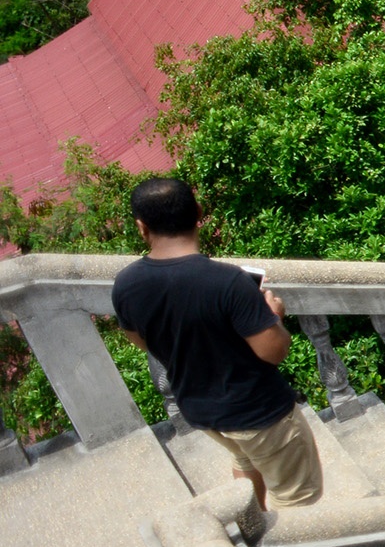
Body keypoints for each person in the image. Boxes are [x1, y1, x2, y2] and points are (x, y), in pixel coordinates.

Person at [112, 177, 321, 510]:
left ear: (142, 227)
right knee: (296, 497)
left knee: (245, 460)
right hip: (259, 412)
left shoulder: (126, 284)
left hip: (203, 411)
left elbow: (140, 341)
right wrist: (274, 316)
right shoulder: (229, 282)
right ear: (198, 212)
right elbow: (273, 351)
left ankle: (253, 532)